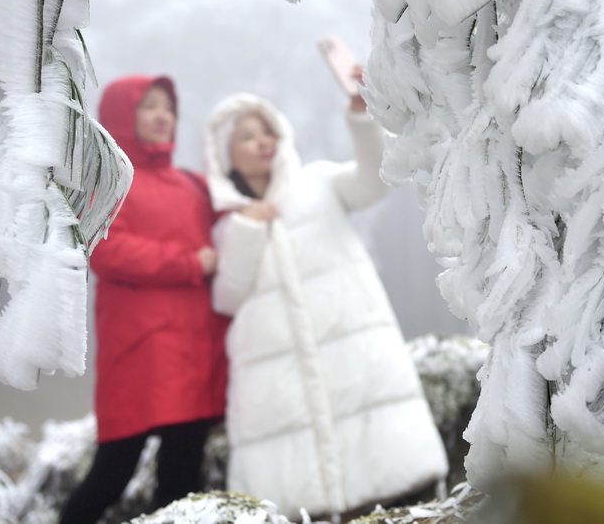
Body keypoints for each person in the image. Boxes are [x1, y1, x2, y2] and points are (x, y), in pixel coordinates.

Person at [202, 77, 449, 520]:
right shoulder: (227, 226)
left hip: (354, 357)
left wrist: (361, 116)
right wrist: (248, 228)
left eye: (268, 130)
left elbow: (375, 181)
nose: (263, 141)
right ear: (225, 153)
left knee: (394, 485)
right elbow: (227, 297)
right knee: (298, 498)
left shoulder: (317, 182)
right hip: (278, 381)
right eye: (247, 135)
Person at [59, 75, 229, 524]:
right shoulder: (109, 184)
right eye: (148, 106)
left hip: (195, 351)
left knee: (181, 476)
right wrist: (190, 263)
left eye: (168, 108)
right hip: (140, 350)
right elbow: (106, 250)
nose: (162, 116)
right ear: (121, 115)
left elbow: (234, 229)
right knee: (113, 471)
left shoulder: (194, 185)